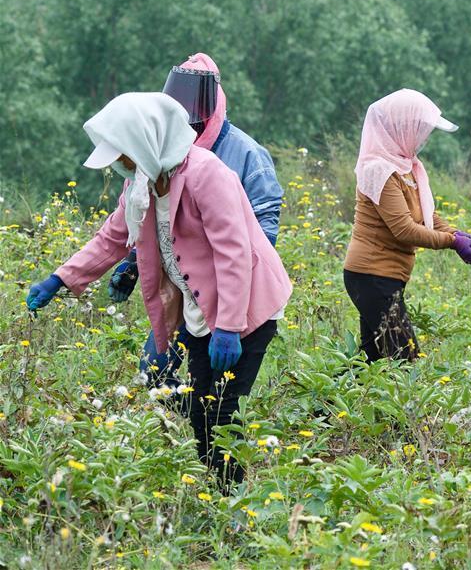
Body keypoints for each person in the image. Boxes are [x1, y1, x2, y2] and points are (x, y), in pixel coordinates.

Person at [26, 92, 292, 490]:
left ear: (145, 142)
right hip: (201, 309)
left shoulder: (207, 174)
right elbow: (110, 239)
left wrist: (229, 326)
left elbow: (233, 254)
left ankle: (234, 501)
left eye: (123, 155)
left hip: (246, 307)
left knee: (217, 410)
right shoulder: (142, 185)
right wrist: (60, 279)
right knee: (201, 406)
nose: (120, 165)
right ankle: (220, 495)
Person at [106, 53, 283, 391]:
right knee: (154, 374)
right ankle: (185, 422)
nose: (188, 114)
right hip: (183, 287)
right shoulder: (160, 154)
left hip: (224, 294)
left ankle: (203, 426)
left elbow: (262, 228)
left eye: (195, 103)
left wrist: (229, 301)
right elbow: (150, 218)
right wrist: (131, 262)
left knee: (217, 396)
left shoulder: (245, 154)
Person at [343, 89, 471, 362]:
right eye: (420, 129)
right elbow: (405, 229)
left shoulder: (407, 167)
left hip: (386, 277)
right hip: (372, 275)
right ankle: (324, 405)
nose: (424, 137)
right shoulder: (379, 169)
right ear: (403, 128)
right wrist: (452, 242)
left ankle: (323, 405)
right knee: (404, 357)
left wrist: (454, 232)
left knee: (371, 360)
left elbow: (425, 215)